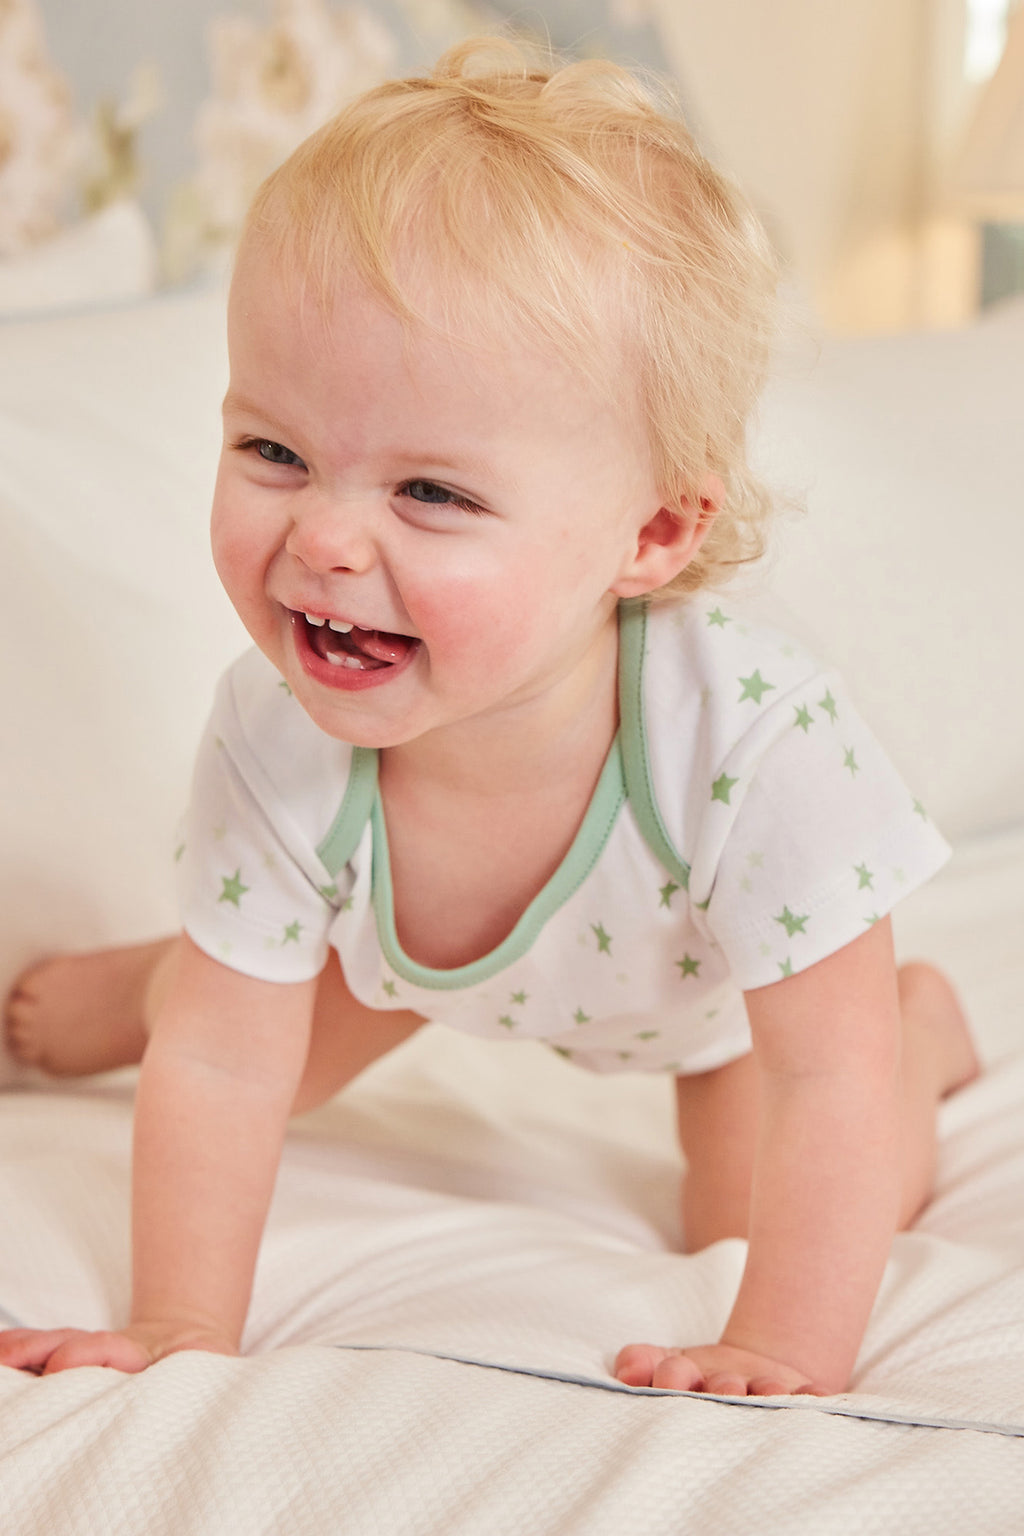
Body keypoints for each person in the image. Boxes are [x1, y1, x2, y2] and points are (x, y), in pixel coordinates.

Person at [0, 37, 977, 1398]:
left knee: (753, 1216)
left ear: (650, 531)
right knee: (242, 1024)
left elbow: (831, 1085)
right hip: (404, 957)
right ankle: (185, 962)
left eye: (432, 496)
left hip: (697, 995)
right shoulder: (285, 720)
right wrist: (179, 1326)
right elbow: (222, 1069)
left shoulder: (756, 744)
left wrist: (779, 1347)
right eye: (273, 452)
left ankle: (930, 1026)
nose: (325, 542)